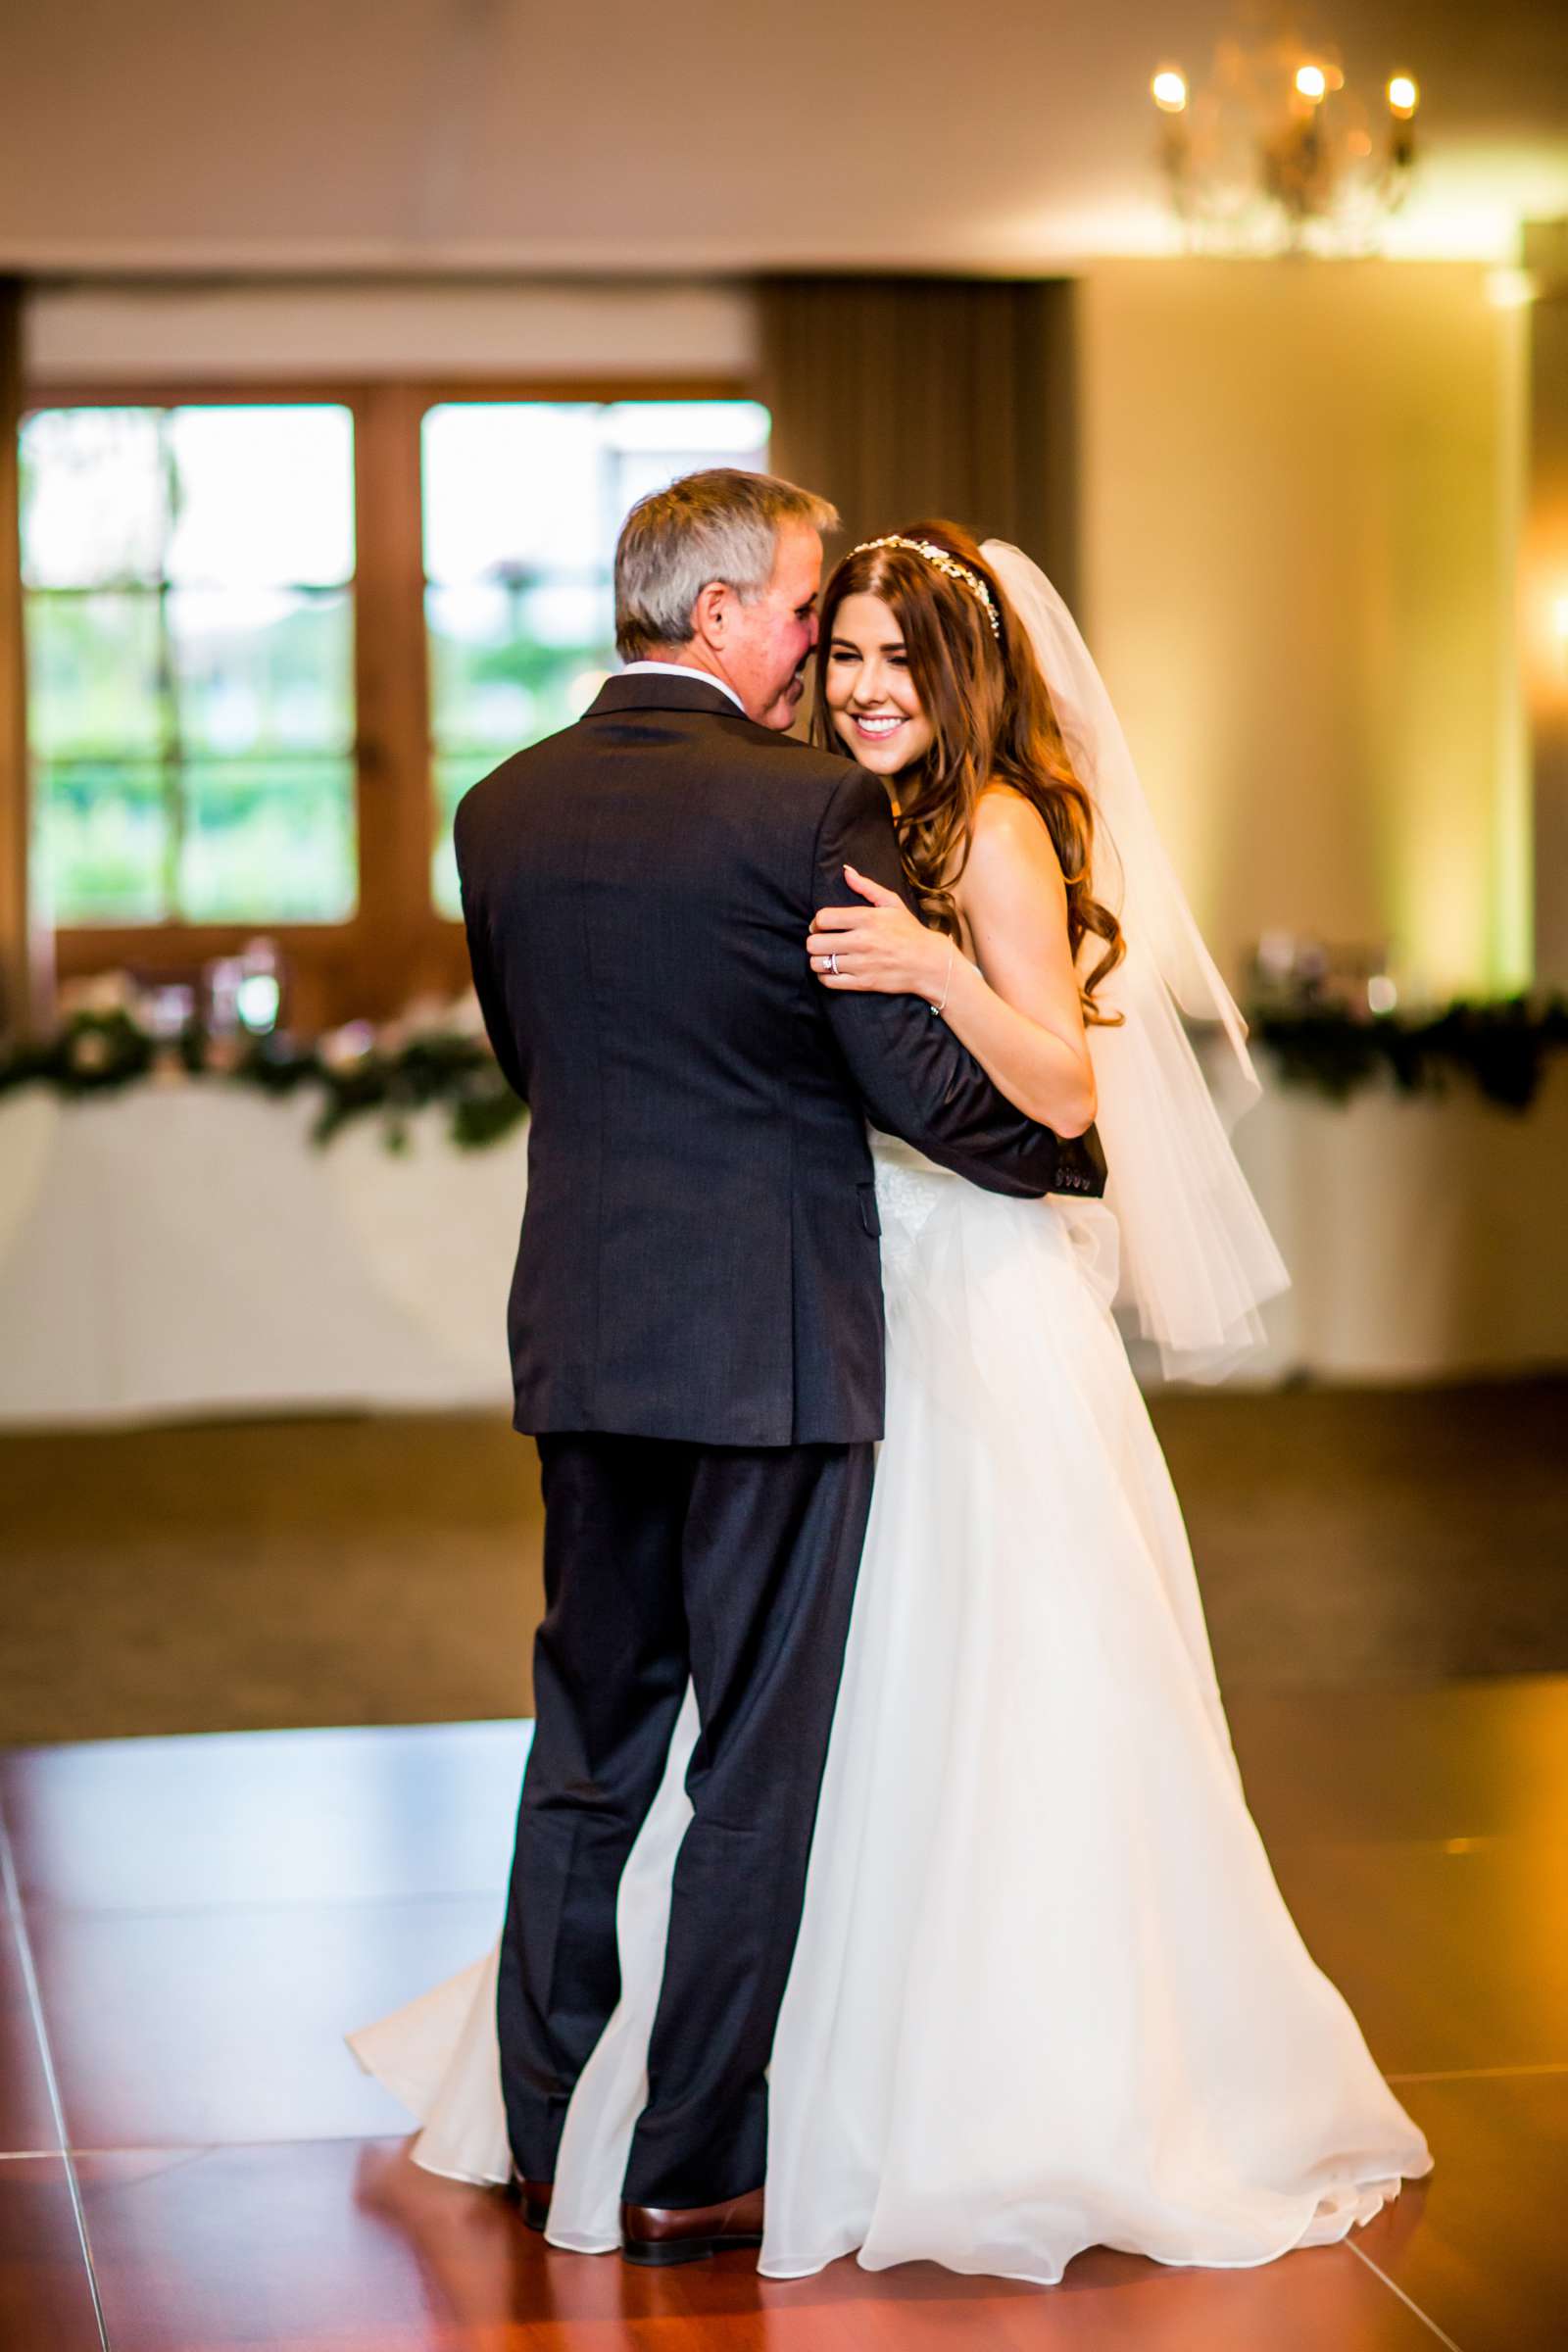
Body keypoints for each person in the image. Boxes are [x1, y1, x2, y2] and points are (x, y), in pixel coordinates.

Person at [353, 520, 1432, 2285]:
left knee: (914, 1700)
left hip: (918, 1302)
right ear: (755, 628)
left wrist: (934, 976)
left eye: (886, 659)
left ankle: (847, 2092)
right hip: (814, 1307)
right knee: (794, 1730)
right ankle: (707, 2124)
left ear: (964, 677)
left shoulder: (966, 825)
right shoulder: (803, 814)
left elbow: (1066, 1102)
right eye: (833, 645)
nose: (851, 683)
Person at [349, 475, 1095, 2270]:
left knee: (588, 1746)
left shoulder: (498, 806)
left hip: (589, 1345)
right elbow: (909, 1084)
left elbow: (544, 1061)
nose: (819, 652)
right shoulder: (803, 809)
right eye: (803, 609)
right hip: (770, 1353)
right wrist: (1063, 1159)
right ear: (720, 621)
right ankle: (687, 2162)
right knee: (756, 1763)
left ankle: (542, 2140)